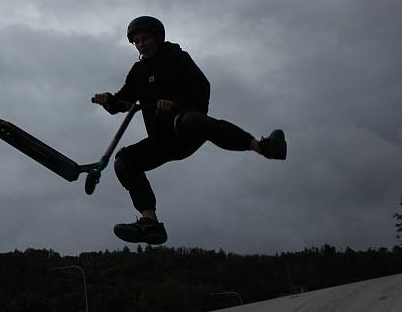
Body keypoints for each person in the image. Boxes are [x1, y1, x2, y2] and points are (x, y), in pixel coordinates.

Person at [92, 16, 286, 245]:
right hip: (161, 140)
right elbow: (124, 102)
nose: (141, 44)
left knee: (192, 120)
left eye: (145, 39)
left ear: (157, 37)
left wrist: (174, 103)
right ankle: (150, 223)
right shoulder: (138, 71)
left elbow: (201, 86)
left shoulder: (176, 57)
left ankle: (262, 147)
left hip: (184, 127)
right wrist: (108, 101)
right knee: (124, 160)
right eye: (136, 41)